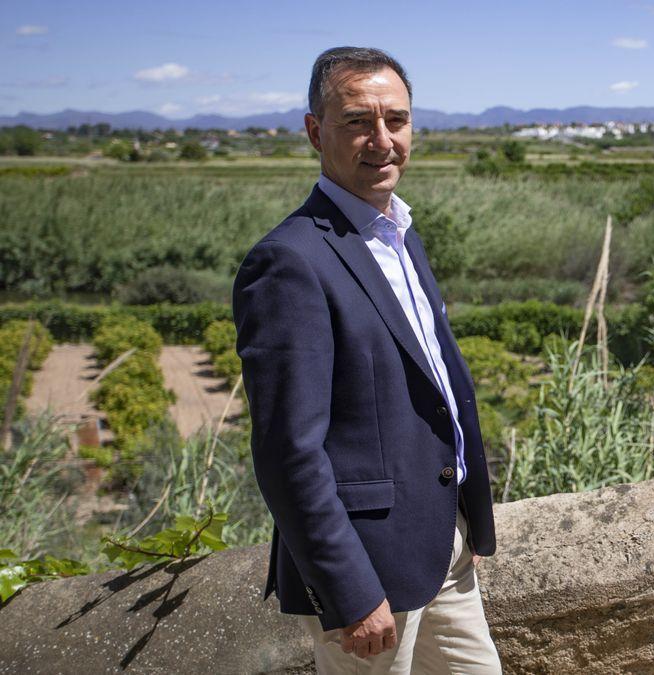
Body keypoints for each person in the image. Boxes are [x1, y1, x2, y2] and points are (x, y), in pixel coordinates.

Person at [232, 46, 502, 674]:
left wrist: (468, 521)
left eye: (397, 121)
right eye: (357, 121)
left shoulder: (400, 235)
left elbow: (436, 383)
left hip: (443, 549)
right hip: (370, 573)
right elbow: (287, 450)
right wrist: (349, 590)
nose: (382, 140)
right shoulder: (289, 262)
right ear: (313, 131)